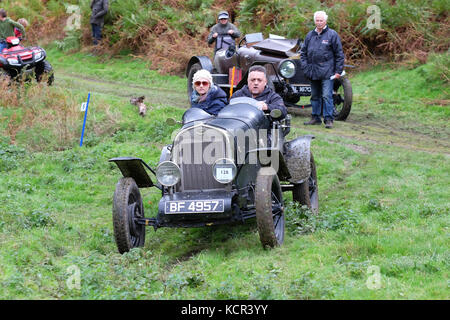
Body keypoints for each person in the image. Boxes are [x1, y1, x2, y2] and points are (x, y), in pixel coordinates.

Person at [301, 10, 345, 129]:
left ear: (325, 21)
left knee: (326, 96)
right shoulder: (310, 35)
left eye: (321, 20)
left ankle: (328, 119)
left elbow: (339, 54)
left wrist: (338, 71)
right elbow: (303, 53)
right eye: (317, 20)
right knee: (315, 96)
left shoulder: (332, 34)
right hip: (312, 71)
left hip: (327, 72)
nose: (319, 22)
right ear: (314, 21)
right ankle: (315, 118)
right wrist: (305, 67)